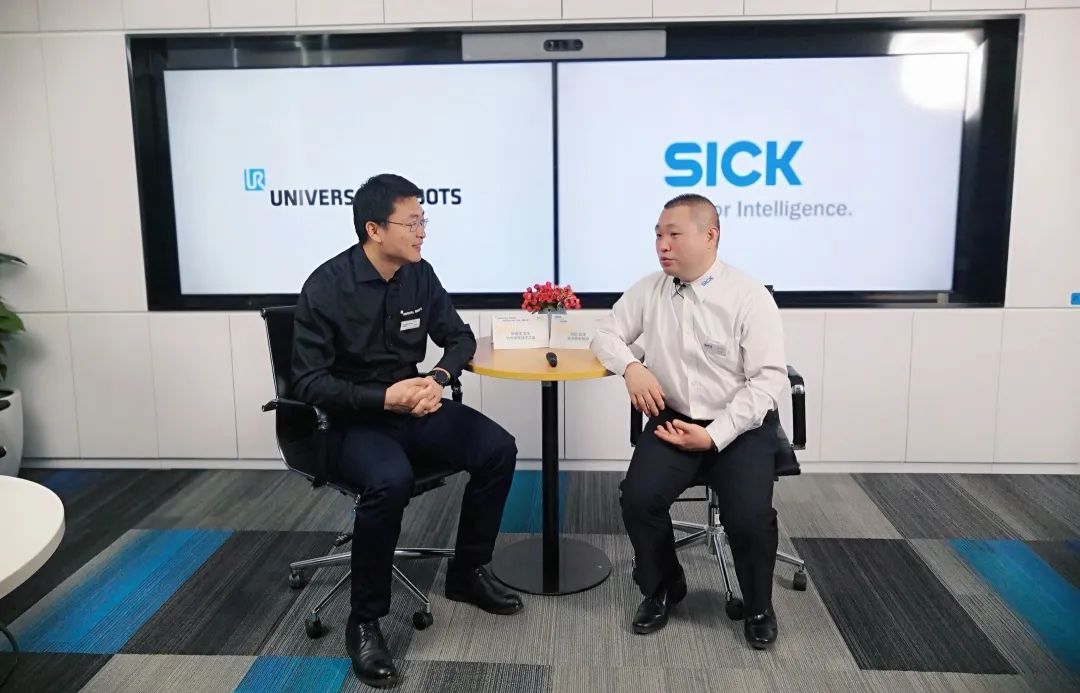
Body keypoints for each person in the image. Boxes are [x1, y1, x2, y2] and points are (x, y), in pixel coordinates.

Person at [292, 173, 523, 688]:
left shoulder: (420, 275)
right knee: (390, 479)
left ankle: (467, 573)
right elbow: (307, 382)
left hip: (413, 408)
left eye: (424, 221)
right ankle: (365, 619)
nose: (422, 232)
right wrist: (382, 397)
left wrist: (437, 379)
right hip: (350, 422)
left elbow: (459, 339)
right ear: (374, 229)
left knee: (497, 448)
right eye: (412, 223)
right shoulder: (326, 286)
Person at [590, 193, 788, 650]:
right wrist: (631, 367)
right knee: (638, 499)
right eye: (658, 235)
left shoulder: (748, 297)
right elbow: (603, 335)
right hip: (674, 420)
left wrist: (714, 435)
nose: (662, 245)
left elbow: (766, 382)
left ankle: (759, 606)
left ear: (710, 236)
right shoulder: (650, 289)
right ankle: (664, 587)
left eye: (674, 234)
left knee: (749, 517)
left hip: (738, 426)